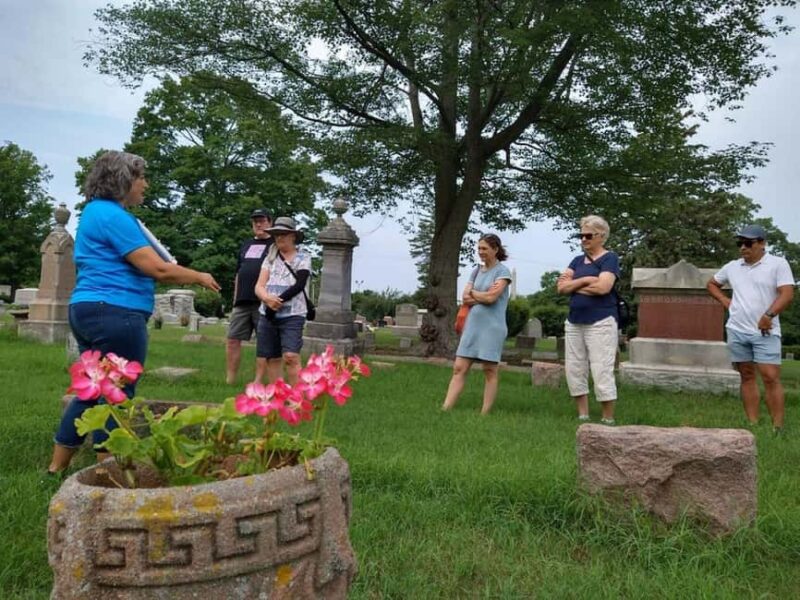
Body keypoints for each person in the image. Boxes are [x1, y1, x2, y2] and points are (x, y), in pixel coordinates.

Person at [46, 151, 221, 477]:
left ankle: (56, 468)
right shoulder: (113, 216)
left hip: (87, 309)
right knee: (117, 394)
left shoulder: (93, 213)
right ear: (123, 180)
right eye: (141, 177)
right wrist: (198, 276)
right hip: (116, 312)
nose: (146, 184)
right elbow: (156, 268)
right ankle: (108, 473)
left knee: (92, 390)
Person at [707, 224, 795, 432]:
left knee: (770, 377)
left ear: (762, 243)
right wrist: (725, 301)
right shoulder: (732, 267)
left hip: (765, 330)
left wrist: (769, 315)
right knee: (746, 375)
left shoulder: (777, 264)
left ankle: (777, 428)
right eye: (740, 244)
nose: (743, 248)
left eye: (748, 243)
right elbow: (711, 284)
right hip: (737, 329)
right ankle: (752, 424)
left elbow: (787, 294)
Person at [557, 215, 620, 425]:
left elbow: (604, 287)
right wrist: (585, 280)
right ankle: (582, 415)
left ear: (601, 236)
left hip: (601, 320)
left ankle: (607, 418)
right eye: (580, 235)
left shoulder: (609, 258)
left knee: (601, 368)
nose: (583, 239)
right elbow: (561, 288)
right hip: (575, 321)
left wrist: (573, 285)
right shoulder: (576, 260)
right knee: (574, 368)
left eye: (588, 235)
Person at [442, 234, 512, 415]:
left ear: (495, 250)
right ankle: (445, 409)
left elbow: (491, 298)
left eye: (485, 249)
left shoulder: (502, 272)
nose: (480, 252)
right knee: (459, 368)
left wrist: (475, 295)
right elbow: (465, 297)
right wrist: (479, 295)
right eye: (479, 248)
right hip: (472, 326)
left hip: (492, 327)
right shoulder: (476, 271)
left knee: (489, 370)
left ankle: (484, 413)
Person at [254, 217, 311, 385]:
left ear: (293, 236)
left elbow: (300, 284)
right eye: (276, 234)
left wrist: (276, 302)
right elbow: (259, 285)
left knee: (291, 356)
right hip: (268, 314)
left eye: (283, 234)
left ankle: (296, 398)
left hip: (293, 314)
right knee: (272, 357)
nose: (279, 238)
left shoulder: (303, 257)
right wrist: (266, 299)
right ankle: (278, 395)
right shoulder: (269, 258)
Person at [225, 209, 274, 384]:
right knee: (232, 339)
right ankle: (230, 380)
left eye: (262, 221)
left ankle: (259, 382)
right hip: (242, 301)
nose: (258, 225)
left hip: (263, 301)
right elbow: (239, 272)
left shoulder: (275, 244)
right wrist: (235, 298)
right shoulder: (246, 244)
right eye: (255, 222)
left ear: (270, 222)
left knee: (264, 343)